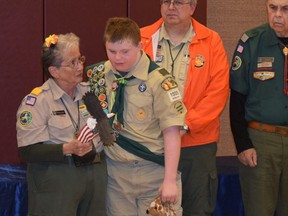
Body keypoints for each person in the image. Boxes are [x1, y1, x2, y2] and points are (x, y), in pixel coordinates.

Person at [85, 17, 186, 216]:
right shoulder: (98, 75)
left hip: (154, 174)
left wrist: (170, 180)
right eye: (111, 51)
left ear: (140, 45)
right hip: (117, 178)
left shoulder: (160, 81)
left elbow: (172, 132)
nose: (117, 58)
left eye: (125, 51)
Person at [140, 0, 229, 215]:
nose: (171, 7)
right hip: (152, 143)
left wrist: (186, 125)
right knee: (151, 210)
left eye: (178, 2)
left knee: (197, 208)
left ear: (193, 7)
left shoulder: (211, 41)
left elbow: (217, 92)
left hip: (196, 145)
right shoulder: (142, 38)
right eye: (166, 1)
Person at [16, 33, 107, 216]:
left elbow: (105, 129)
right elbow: (27, 152)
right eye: (72, 63)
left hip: (94, 176)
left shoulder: (90, 93)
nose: (80, 67)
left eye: (80, 59)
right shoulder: (38, 101)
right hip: (58, 180)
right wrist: (67, 148)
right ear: (54, 71)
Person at [230, 0, 288, 215]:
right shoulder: (251, 42)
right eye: (273, 8)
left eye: (285, 9)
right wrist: (242, 144)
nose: (278, 15)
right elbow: (236, 98)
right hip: (261, 143)